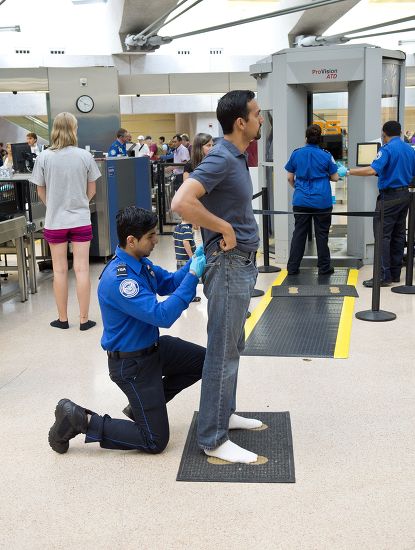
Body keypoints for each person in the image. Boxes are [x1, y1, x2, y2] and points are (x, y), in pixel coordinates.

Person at [48, 206, 206, 455]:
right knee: (155, 440)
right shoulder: (120, 281)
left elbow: (168, 283)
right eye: (151, 236)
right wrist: (194, 277)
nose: (156, 240)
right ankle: (79, 419)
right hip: (132, 367)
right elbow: (162, 315)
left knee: (205, 361)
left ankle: (141, 406)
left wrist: (192, 264)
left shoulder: (140, 263)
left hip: (153, 351)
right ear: (131, 241)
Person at [172, 90, 264, 464]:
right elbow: (182, 202)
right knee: (222, 354)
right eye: (257, 114)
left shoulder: (237, 157)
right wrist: (224, 227)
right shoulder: (223, 157)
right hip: (227, 267)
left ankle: (224, 415)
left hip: (240, 265)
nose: (261, 120)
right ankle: (213, 437)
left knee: (232, 348)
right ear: (240, 122)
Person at [30, 112, 100, 330]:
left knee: (59, 270)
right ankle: (84, 319)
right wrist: (79, 203)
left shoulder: (44, 157)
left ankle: (62, 319)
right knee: (82, 269)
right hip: (80, 219)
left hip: (55, 221)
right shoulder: (84, 156)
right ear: (73, 129)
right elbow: (92, 189)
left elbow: (40, 189)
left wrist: (53, 205)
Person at [342, 120, 415, 287]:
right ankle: (395, 274)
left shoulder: (387, 149)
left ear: (384, 134)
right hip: (405, 196)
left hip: (389, 198)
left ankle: (383, 275)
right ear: (400, 132)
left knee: (383, 235)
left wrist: (348, 171)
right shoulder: (409, 149)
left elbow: (372, 170)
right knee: (398, 235)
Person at [285, 124, 340, 275]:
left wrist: (298, 188)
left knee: (299, 233)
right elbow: (335, 177)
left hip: (301, 200)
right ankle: (324, 267)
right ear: (319, 139)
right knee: (322, 234)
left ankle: (292, 267)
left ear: (306, 138)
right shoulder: (326, 155)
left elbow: (290, 177)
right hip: (321, 201)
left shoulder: (296, 154)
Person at [183, 133, 214, 248]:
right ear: (199, 147)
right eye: (208, 145)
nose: (212, 148)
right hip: (199, 210)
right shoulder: (190, 165)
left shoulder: (214, 164)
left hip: (214, 208)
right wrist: (193, 216)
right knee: (200, 246)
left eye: (212, 145)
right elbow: (186, 194)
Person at [173, 217, 201, 303]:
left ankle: (180, 295)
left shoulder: (177, 227)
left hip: (180, 258)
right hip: (186, 259)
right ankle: (191, 297)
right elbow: (186, 242)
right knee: (190, 278)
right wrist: (191, 257)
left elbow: (175, 241)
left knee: (181, 278)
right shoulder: (187, 229)